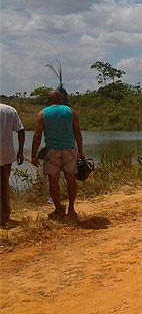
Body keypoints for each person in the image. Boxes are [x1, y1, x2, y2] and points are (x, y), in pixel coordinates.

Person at [30, 91, 85, 219]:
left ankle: (58, 209)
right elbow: (77, 132)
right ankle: (71, 209)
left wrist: (33, 154)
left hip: (52, 150)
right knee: (71, 179)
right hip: (69, 149)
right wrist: (80, 151)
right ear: (60, 99)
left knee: (53, 181)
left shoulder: (43, 113)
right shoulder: (71, 112)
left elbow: (37, 135)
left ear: (48, 100)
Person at [0, 104, 25, 226]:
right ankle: (5, 212)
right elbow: (21, 130)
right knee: (4, 182)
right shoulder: (10, 110)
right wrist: (20, 151)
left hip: (6, 151)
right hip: (6, 151)